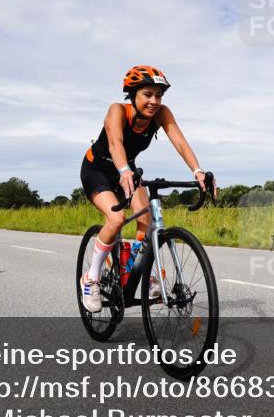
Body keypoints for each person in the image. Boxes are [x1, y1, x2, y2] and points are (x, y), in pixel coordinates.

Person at [79, 65, 215, 313]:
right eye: (147, 95)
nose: (154, 101)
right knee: (117, 218)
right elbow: (115, 143)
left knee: (147, 222)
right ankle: (91, 278)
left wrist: (198, 171)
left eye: (159, 96)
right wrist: (122, 170)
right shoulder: (117, 110)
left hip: (128, 171)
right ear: (133, 95)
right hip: (98, 170)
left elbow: (180, 142)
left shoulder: (161, 114)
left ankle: (140, 272)